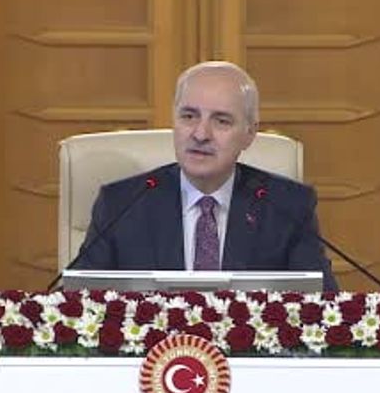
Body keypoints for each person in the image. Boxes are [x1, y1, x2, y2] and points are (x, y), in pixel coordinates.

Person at [73, 61, 338, 290]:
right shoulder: (121, 204)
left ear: (249, 133)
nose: (200, 134)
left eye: (221, 121)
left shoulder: (287, 206)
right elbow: (76, 304)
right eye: (189, 116)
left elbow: (323, 306)